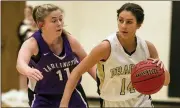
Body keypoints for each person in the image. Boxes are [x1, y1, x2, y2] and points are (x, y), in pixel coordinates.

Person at [60, 2, 170, 107]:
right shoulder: (105, 47)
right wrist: (64, 104)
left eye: (129, 22)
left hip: (141, 102)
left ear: (139, 25)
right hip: (112, 102)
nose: (123, 26)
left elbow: (166, 82)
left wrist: (161, 68)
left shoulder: (148, 47)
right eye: (120, 20)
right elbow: (77, 71)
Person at [16, 4, 96, 108]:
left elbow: (88, 62)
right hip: (42, 96)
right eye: (54, 21)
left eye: (60, 19)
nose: (59, 23)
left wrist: (100, 82)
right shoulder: (33, 43)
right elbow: (20, 63)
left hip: (72, 93)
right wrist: (27, 70)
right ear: (41, 25)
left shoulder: (70, 40)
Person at [17, 5, 38, 91]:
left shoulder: (36, 23)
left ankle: (33, 90)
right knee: (22, 71)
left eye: (29, 12)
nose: (27, 13)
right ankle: (22, 90)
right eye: (25, 12)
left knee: (33, 70)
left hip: (35, 52)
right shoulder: (22, 24)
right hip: (23, 50)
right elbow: (21, 36)